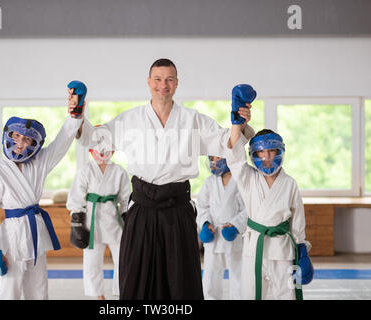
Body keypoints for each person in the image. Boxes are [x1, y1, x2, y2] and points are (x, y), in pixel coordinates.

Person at [75, 58, 254, 299]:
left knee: (181, 283)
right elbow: (92, 138)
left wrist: (238, 123)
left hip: (177, 210)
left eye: (169, 79)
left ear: (177, 83)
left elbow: (228, 144)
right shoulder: (130, 120)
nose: (163, 84)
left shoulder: (193, 120)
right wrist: (77, 113)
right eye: (158, 79)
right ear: (149, 82)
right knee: (136, 280)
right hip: (142, 209)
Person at [0, 89, 84, 300]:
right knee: (9, 291)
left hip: (35, 234)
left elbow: (63, 141)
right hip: (11, 238)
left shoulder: (39, 163)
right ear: (8, 136)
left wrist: (75, 115)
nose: (20, 143)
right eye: (17, 136)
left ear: (34, 145)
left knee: (38, 291)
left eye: (27, 140)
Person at [227, 117, 314, 299]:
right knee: (250, 295)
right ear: (254, 155)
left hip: (282, 250)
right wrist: (237, 125)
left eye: (272, 151)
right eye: (261, 153)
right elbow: (234, 157)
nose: (266, 158)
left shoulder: (289, 183)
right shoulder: (247, 178)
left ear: (280, 152)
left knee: (286, 295)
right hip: (254, 248)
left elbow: (297, 221)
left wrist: (303, 252)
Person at [67, 132, 131, 300]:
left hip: (114, 221)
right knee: (92, 262)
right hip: (91, 221)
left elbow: (125, 199)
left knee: (123, 259)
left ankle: (122, 292)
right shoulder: (85, 171)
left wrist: (127, 217)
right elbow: (76, 198)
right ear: (91, 148)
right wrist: (77, 223)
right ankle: (98, 296)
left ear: (113, 149)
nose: (102, 150)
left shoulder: (119, 172)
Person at [197, 156, 247, 300]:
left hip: (234, 237)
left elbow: (249, 208)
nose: (214, 161)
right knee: (210, 279)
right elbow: (202, 206)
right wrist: (205, 224)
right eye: (211, 158)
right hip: (214, 237)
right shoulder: (209, 182)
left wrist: (236, 225)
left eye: (217, 157)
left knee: (238, 277)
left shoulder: (240, 181)